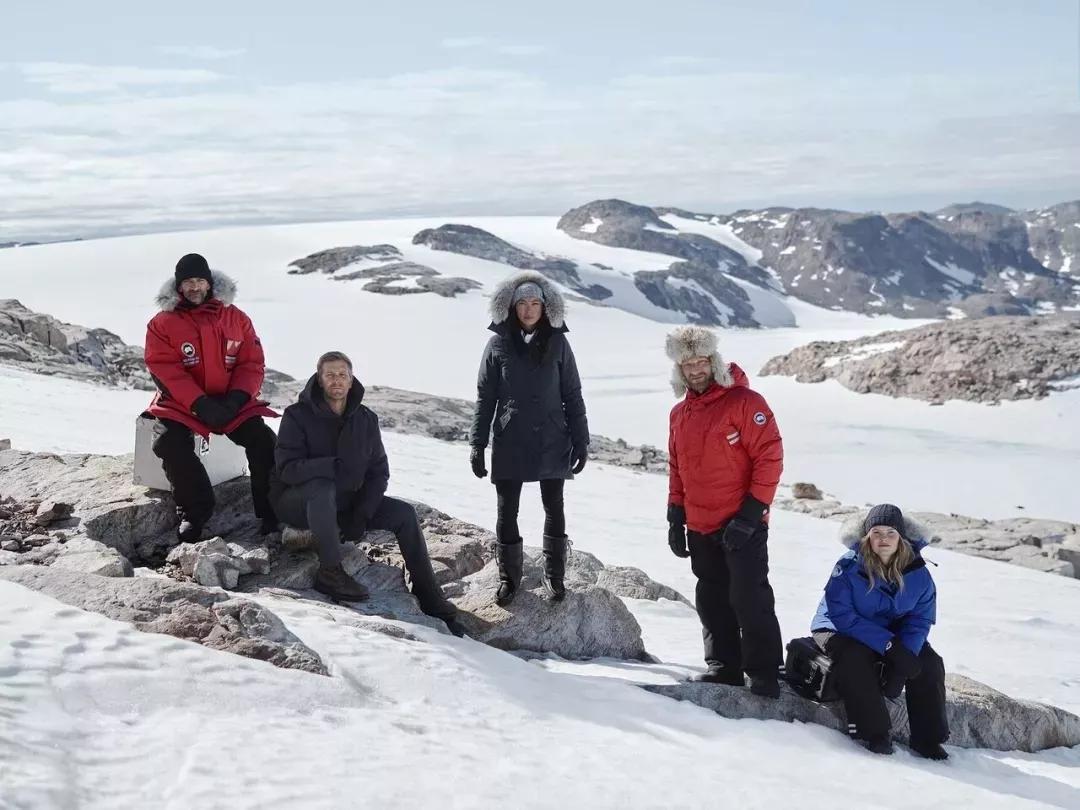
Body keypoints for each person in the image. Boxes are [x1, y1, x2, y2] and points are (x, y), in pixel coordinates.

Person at [270, 351, 463, 636]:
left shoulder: (365, 420)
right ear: (320, 380)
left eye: (342, 374)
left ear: (351, 380)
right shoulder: (297, 415)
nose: (336, 379)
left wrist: (361, 514)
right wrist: (330, 467)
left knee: (405, 514)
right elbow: (287, 469)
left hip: (343, 503)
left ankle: (428, 594)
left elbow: (378, 473)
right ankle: (330, 571)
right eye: (330, 374)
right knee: (322, 486)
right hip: (297, 503)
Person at [664, 325, 785, 698]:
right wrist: (675, 516)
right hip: (700, 524)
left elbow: (770, 457)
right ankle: (724, 667)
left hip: (742, 524)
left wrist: (750, 515)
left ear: (713, 362)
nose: (696, 370)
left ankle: (764, 671)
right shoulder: (679, 413)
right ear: (680, 370)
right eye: (688, 365)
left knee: (749, 596)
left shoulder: (746, 402)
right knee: (712, 597)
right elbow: (676, 466)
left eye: (701, 362)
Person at [469, 272, 589, 606]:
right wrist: (477, 443)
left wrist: (582, 439)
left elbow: (572, 393)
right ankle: (509, 577)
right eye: (522, 302)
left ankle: (555, 576)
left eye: (535, 302)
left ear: (545, 306)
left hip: (553, 436)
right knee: (507, 510)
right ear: (511, 306)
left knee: (554, 506)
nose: (528, 309)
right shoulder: (497, 343)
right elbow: (485, 397)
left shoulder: (559, 343)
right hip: (510, 438)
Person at [144, 253, 278, 541]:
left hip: (232, 402)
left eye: (199, 281)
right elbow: (164, 367)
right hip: (183, 404)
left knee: (263, 440)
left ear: (210, 283)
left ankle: (273, 513)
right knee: (168, 442)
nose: (194, 287)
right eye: (188, 282)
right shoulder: (162, 323)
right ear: (179, 287)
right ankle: (196, 512)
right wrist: (199, 403)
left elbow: (251, 363)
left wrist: (238, 399)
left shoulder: (236, 318)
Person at [811, 504, 949, 759]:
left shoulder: (919, 573)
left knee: (928, 663)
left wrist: (904, 657)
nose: (883, 539)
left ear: (901, 537)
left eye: (890, 533)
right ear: (867, 536)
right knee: (856, 658)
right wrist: (889, 647)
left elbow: (919, 619)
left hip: (888, 629)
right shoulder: (848, 566)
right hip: (838, 627)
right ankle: (874, 732)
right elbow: (841, 615)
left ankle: (928, 739)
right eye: (876, 532)